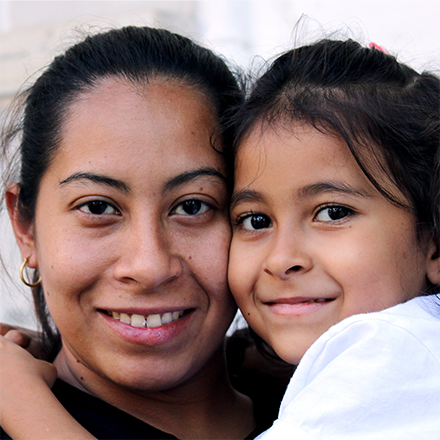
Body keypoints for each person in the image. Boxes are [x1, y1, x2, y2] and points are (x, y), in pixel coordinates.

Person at [0, 25, 277, 440]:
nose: (149, 266)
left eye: (192, 206)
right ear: (26, 228)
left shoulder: (352, 404)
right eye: (97, 207)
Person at [228, 38, 440, 438]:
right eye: (255, 220)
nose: (281, 258)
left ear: (435, 240)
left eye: (333, 212)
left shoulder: (392, 348)